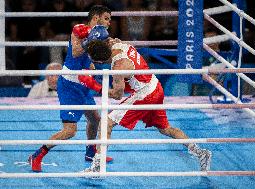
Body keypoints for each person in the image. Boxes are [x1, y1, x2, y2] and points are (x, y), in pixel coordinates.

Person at [82, 32, 212, 174]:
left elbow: (118, 95)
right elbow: (110, 39)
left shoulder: (118, 68)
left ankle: (97, 167)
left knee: (106, 122)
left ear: (100, 62)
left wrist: (93, 85)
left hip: (145, 94)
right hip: (155, 85)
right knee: (166, 129)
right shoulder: (119, 43)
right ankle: (200, 152)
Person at [28, 5, 113, 172]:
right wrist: (91, 40)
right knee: (70, 130)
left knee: (95, 119)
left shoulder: (103, 36)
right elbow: (75, 53)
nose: (109, 23)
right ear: (95, 18)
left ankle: (90, 152)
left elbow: (91, 58)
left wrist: (93, 65)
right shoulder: (78, 30)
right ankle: (37, 155)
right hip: (69, 86)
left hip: (84, 83)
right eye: (106, 18)